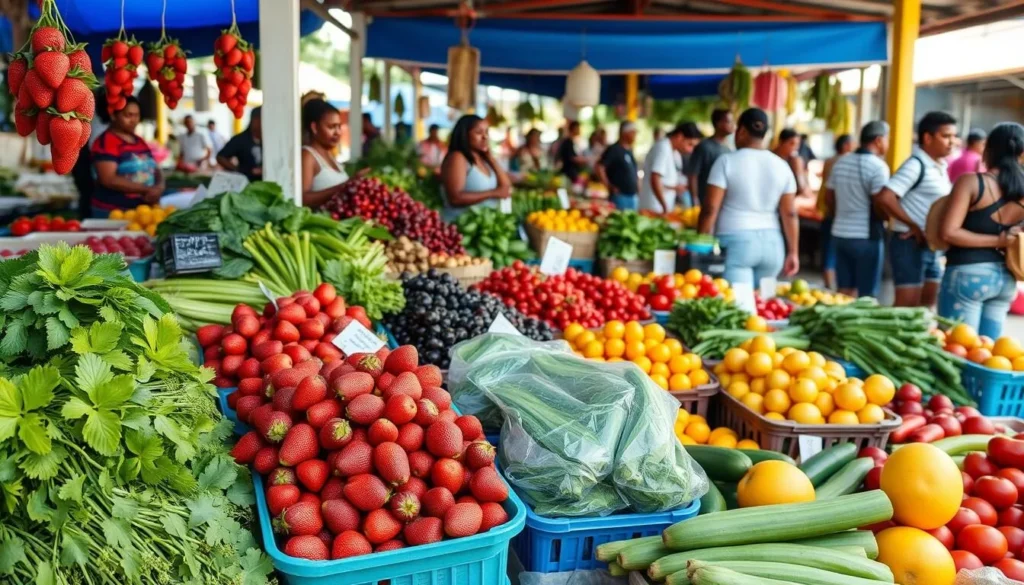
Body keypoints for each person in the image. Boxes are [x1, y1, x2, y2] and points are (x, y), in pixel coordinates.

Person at [937, 123, 1024, 339]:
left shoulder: (972, 182)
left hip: (968, 275)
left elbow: (949, 232)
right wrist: (1007, 240)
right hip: (1006, 280)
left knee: (957, 352)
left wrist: (998, 239)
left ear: (988, 149)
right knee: (990, 354)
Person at [698, 108, 799, 285]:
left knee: (740, 307)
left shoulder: (726, 161)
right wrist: (793, 252)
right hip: (773, 246)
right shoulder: (782, 166)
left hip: (736, 243)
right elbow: (789, 213)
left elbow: (710, 209)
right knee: (763, 307)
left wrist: (701, 241)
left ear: (742, 131)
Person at [876, 111, 958, 307]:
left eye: (954, 136)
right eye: (946, 136)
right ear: (927, 137)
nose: (952, 142)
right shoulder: (916, 164)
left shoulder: (940, 166)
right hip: (909, 244)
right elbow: (885, 197)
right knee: (907, 306)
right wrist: (912, 224)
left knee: (927, 305)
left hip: (931, 246)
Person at [825, 122, 891, 298]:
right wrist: (888, 218)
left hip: (840, 234)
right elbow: (881, 203)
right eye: (887, 139)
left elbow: (829, 197)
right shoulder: (878, 167)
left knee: (844, 292)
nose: (888, 144)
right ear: (878, 140)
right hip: (866, 238)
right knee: (866, 297)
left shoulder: (840, 162)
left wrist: (840, 215)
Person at [90, 96, 163, 217]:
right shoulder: (105, 142)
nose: (134, 120)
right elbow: (108, 179)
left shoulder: (140, 141)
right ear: (114, 116)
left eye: (137, 115)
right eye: (128, 115)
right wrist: (146, 190)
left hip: (143, 212)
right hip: (113, 212)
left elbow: (155, 168)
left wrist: (159, 187)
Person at [439, 114, 511, 223]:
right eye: (478, 132)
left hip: (484, 228)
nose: (485, 137)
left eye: (486, 132)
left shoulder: (484, 159)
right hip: (459, 228)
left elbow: (505, 187)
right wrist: (492, 193)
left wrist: (490, 158)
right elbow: (455, 198)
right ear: (464, 135)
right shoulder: (457, 158)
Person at [818, 134, 855, 290]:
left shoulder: (829, 161)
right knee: (839, 256)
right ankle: (838, 288)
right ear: (846, 145)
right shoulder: (846, 163)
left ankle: (829, 286)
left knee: (828, 253)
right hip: (841, 216)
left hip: (828, 212)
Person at [301, 99, 354, 208]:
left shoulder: (329, 154)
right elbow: (303, 198)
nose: (338, 132)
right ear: (314, 127)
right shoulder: (308, 155)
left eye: (339, 126)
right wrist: (345, 185)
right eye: (331, 127)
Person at [640, 122, 701, 214]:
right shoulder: (663, 147)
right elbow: (655, 178)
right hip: (655, 207)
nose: (690, 150)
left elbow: (663, 181)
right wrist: (664, 206)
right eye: (690, 144)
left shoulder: (675, 152)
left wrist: (675, 188)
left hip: (663, 206)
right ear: (680, 137)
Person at [686, 109, 734, 206]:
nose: (733, 125)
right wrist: (695, 200)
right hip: (705, 202)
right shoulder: (704, 146)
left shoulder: (729, 149)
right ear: (719, 124)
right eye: (729, 121)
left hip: (723, 203)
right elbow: (693, 175)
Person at [595, 121, 640, 210]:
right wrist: (608, 185)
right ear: (625, 133)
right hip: (620, 197)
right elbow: (600, 167)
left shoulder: (629, 150)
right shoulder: (614, 149)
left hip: (632, 196)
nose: (635, 136)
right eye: (633, 132)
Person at [217, 106, 262, 181]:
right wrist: (238, 170)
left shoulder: (269, 139)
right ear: (255, 120)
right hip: (246, 183)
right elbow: (221, 157)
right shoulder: (240, 139)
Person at [775, 129, 812, 200]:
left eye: (798, 145)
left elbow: (804, 189)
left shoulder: (795, 161)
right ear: (781, 142)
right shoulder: (771, 158)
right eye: (792, 143)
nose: (795, 148)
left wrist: (798, 170)